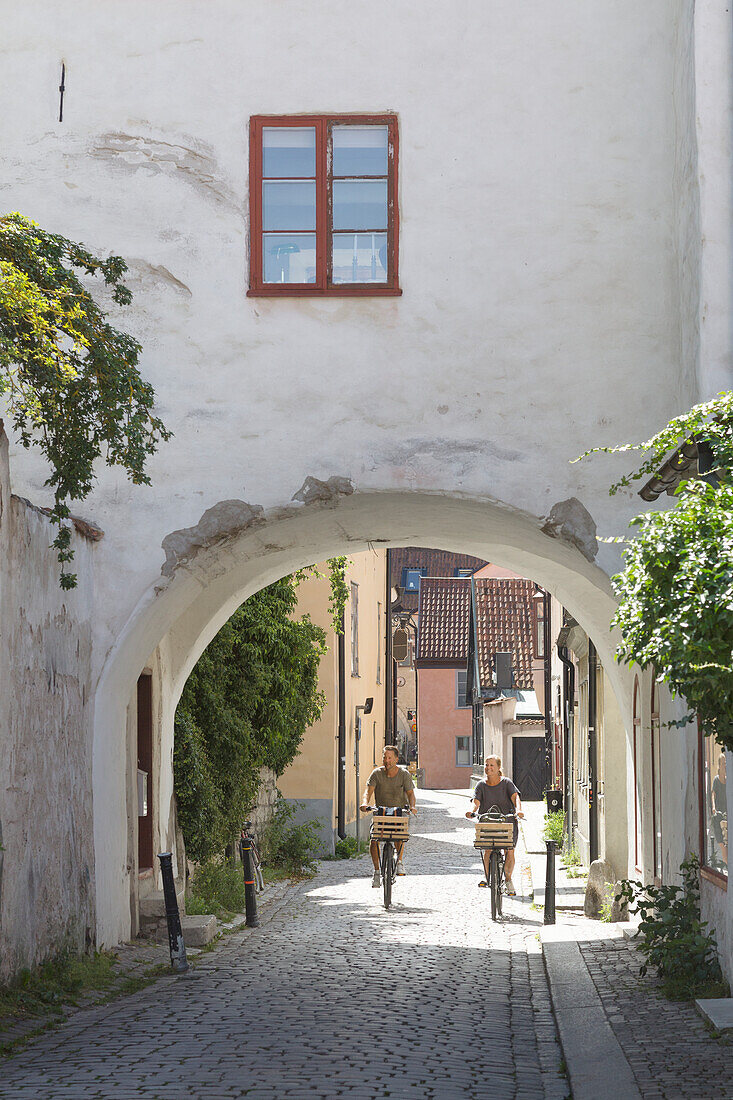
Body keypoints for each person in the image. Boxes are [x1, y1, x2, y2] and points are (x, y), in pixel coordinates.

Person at [466, 754, 524, 896]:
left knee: (509, 850)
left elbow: (516, 797)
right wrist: (472, 811)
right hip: (488, 823)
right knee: (488, 850)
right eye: (486, 765)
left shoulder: (506, 783)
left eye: (492, 765)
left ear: (498, 768)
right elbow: (476, 801)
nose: (488, 768)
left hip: (507, 822)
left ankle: (508, 880)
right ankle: (488, 877)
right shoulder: (481, 785)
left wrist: (519, 810)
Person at [360, 745, 417, 887]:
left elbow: (410, 793)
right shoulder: (376, 774)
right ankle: (377, 872)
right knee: (374, 839)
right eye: (385, 757)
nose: (387, 760)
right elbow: (368, 791)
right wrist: (365, 803)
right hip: (381, 813)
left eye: (390, 758)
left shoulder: (404, 774)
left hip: (398, 812)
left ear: (396, 759)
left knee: (400, 835)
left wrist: (412, 806)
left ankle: (399, 862)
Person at [712, 752, 727, 868]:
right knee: (722, 843)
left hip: (727, 814)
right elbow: (713, 795)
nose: (725, 766)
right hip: (719, 814)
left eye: (726, 763)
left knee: (727, 841)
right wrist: (713, 808)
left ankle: (727, 864)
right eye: (723, 763)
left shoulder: (729, 779)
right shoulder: (716, 780)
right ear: (719, 765)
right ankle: (726, 863)